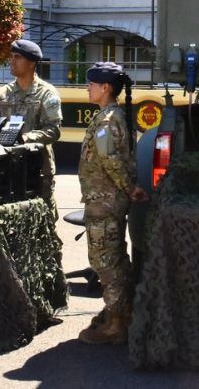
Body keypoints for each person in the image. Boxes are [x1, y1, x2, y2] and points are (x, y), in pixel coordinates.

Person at [77, 61, 149, 345]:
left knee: (104, 259)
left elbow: (110, 160)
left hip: (104, 201)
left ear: (105, 87)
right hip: (108, 200)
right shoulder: (114, 115)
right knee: (114, 255)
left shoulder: (107, 120)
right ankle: (119, 310)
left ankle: (116, 324)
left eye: (91, 84)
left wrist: (130, 188)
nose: (87, 88)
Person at [0, 39, 62, 204]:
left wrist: (25, 138)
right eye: (11, 56)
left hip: (37, 169)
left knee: (41, 219)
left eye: (17, 57)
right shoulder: (3, 93)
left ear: (32, 63)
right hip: (5, 168)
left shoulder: (46, 93)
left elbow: (53, 131)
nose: (11, 61)